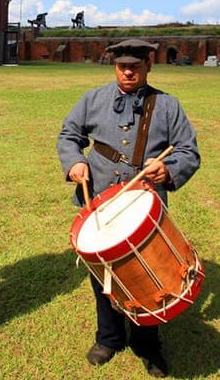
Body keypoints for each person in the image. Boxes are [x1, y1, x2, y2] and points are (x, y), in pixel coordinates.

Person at [57, 39, 201, 378]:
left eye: (135, 66)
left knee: (146, 277)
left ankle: (146, 343)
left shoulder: (167, 105)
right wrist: (75, 162)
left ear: (148, 66)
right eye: (122, 66)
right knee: (103, 273)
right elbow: (69, 134)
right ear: (114, 66)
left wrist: (168, 169)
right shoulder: (92, 99)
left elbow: (189, 152)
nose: (128, 72)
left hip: (145, 207)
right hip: (101, 201)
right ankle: (108, 337)